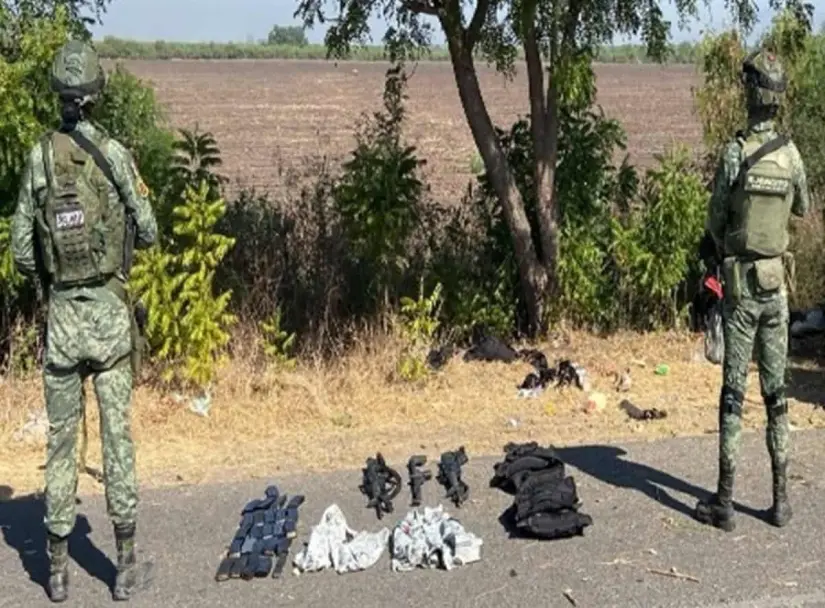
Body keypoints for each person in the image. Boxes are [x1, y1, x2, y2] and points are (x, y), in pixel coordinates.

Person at [10, 40, 158, 601]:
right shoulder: (116, 155)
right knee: (118, 438)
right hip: (110, 321)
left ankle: (56, 572)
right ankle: (123, 565)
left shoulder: (39, 158)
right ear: (94, 95)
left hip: (64, 324)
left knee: (61, 443)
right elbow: (147, 229)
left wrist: (51, 284)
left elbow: (23, 249)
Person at [695, 47, 810, 532]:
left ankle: (725, 503)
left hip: (741, 292)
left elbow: (715, 220)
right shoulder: (790, 154)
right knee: (778, 395)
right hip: (776, 290)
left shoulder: (737, 152)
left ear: (752, 94)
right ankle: (780, 502)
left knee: (732, 396)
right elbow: (802, 208)